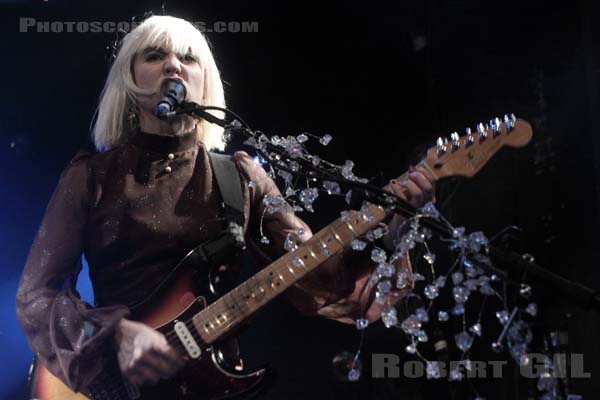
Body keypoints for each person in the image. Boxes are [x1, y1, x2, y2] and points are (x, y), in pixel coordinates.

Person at [16, 15, 435, 398]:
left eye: (188, 58)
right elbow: (37, 294)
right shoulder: (92, 175)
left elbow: (321, 276)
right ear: (129, 79)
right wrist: (115, 335)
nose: (173, 66)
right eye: (154, 55)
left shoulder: (239, 175)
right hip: (117, 381)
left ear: (205, 80)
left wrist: (393, 224)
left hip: (213, 386)